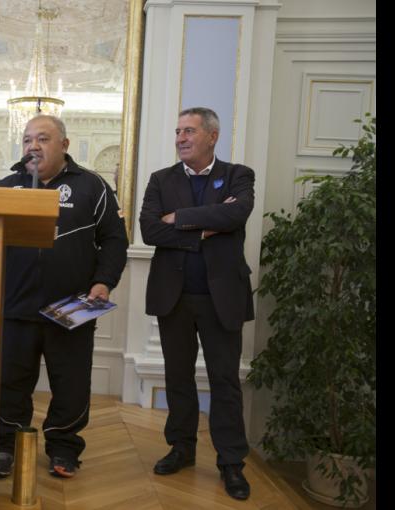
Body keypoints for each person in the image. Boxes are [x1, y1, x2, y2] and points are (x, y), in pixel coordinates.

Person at [0, 115, 128, 479]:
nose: (32, 146)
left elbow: (115, 239)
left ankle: (64, 447)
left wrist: (105, 281)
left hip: (70, 308)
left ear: (64, 145)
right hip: (14, 307)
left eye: (42, 138)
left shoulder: (92, 187)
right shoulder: (5, 188)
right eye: (26, 140)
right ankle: (5, 444)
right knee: (9, 383)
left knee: (70, 384)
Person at [138, 107, 255, 501]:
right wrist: (206, 228)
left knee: (224, 381)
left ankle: (231, 463)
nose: (181, 138)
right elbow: (151, 229)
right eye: (177, 132)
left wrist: (181, 219)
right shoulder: (160, 180)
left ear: (212, 136)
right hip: (176, 298)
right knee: (178, 378)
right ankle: (182, 448)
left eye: (189, 131)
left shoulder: (239, 175)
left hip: (223, 298)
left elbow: (237, 213)